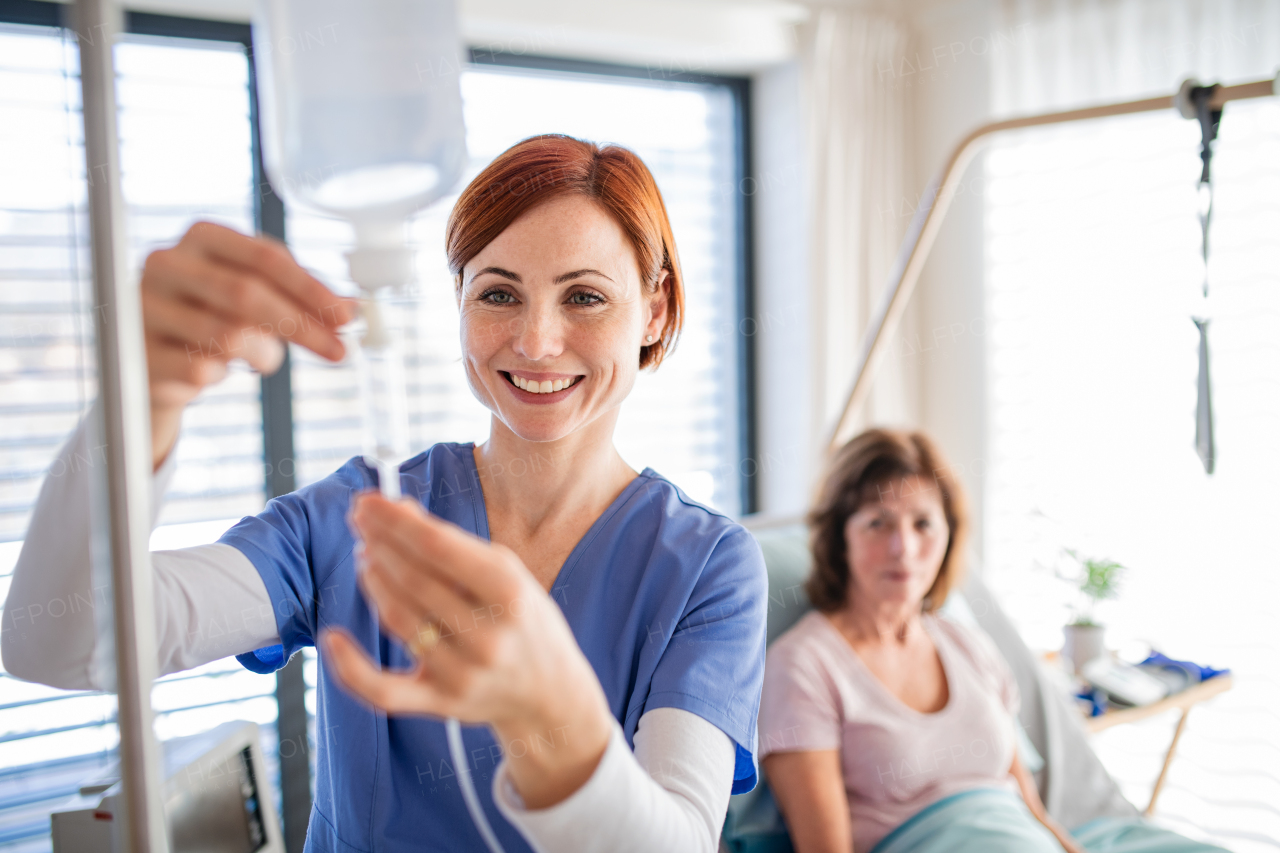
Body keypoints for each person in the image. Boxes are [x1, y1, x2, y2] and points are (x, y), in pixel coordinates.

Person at [3, 135, 767, 853]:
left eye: (586, 298)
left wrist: (551, 719)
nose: (536, 341)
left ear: (655, 310)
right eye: (499, 294)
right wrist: (140, 401)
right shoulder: (360, 514)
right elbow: (62, 643)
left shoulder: (706, 567)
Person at [756, 429, 1227, 853]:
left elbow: (1031, 811)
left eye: (923, 523)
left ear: (948, 535)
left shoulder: (966, 644)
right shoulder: (802, 666)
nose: (903, 547)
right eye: (878, 523)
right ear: (840, 538)